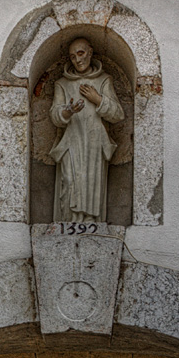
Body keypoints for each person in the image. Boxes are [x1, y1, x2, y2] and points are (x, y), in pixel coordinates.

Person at [49, 37, 124, 223]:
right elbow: (54, 115)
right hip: (71, 139)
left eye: (81, 53)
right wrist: (68, 111)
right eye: (73, 57)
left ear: (90, 52)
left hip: (94, 139)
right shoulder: (62, 84)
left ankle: (91, 222)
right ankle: (69, 222)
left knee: (92, 179)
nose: (78, 60)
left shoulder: (104, 80)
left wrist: (97, 98)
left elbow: (118, 114)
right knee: (69, 179)